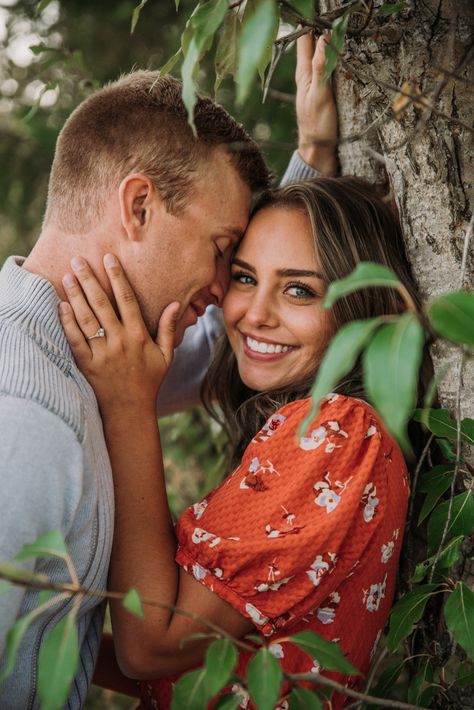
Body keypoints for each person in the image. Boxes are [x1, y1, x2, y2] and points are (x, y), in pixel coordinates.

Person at [0, 33, 334, 707]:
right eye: (222, 251)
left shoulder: (97, 359)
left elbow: (228, 341)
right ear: (140, 206)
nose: (225, 287)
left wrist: (315, 157)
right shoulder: (25, 418)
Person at [58, 183, 423, 706]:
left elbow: (152, 646)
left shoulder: (338, 433)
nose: (253, 314)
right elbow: (188, 667)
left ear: (364, 308)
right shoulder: (316, 430)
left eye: (299, 290)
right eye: (245, 278)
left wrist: (129, 405)